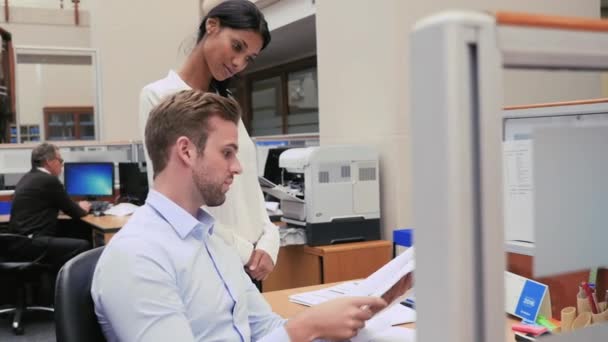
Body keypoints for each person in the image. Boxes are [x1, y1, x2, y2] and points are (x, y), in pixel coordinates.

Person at [93, 90, 412, 341]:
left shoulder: (210, 240)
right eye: (227, 152)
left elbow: (264, 328)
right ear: (187, 151)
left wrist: (331, 327)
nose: (238, 167)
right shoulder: (137, 257)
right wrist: (306, 328)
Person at [139, 0, 277, 283]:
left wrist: (269, 241)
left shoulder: (227, 104)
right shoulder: (160, 97)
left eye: (249, 58)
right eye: (237, 46)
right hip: (208, 257)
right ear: (212, 26)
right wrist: (243, 251)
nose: (239, 63)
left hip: (252, 262)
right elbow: (173, 198)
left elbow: (250, 183)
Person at [8, 143, 92, 270]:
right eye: (60, 160)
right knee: (83, 245)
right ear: (49, 162)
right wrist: (83, 207)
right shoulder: (49, 181)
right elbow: (77, 213)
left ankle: (52, 278)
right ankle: (62, 282)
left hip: (20, 241)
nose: (62, 165)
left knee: (76, 230)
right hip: (33, 242)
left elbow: (46, 205)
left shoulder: (28, 177)